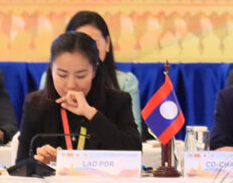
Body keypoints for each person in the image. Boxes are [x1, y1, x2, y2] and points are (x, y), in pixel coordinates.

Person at [16, 31, 141, 164]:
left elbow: (134, 153)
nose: (71, 85)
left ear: (94, 71)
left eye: (80, 76)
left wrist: (90, 113)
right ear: (51, 70)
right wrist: (41, 163)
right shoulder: (35, 105)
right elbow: (20, 165)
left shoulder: (117, 102)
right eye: (62, 75)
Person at [39, 11, 144, 135]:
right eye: (63, 75)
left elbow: (134, 137)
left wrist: (90, 114)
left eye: (94, 42)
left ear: (107, 43)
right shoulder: (49, 80)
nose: (88, 49)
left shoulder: (125, 83)